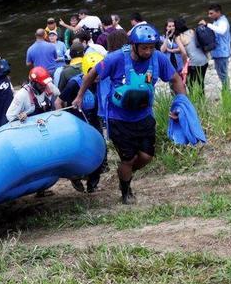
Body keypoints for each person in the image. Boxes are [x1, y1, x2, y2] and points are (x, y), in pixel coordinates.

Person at [73, 24, 186, 204]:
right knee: (128, 159)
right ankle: (126, 193)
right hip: (119, 119)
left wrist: (182, 105)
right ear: (133, 45)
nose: (149, 52)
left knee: (146, 157)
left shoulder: (158, 59)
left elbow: (175, 80)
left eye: (151, 47)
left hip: (144, 117)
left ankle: (125, 174)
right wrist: (79, 96)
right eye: (144, 48)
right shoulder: (115, 59)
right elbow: (92, 74)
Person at [56, 52, 107, 193]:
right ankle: (75, 177)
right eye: (94, 74)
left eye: (99, 73)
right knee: (80, 153)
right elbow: (58, 101)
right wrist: (62, 121)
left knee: (100, 151)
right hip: (78, 123)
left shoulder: (101, 82)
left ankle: (92, 185)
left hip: (94, 121)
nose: (97, 77)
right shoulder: (74, 83)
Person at [200, 3, 231, 87]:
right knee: (221, 73)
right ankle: (226, 91)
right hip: (217, 52)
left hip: (222, 52)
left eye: (211, 13)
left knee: (223, 74)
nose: (209, 15)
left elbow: (221, 31)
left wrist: (207, 25)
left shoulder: (223, 22)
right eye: (209, 13)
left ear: (218, 12)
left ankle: (226, 92)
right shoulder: (216, 21)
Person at [180, 21, 209, 94]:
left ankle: (193, 98)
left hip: (193, 63)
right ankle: (202, 98)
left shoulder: (179, 37)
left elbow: (183, 52)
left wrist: (184, 65)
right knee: (201, 81)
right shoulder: (192, 31)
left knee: (189, 82)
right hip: (204, 60)